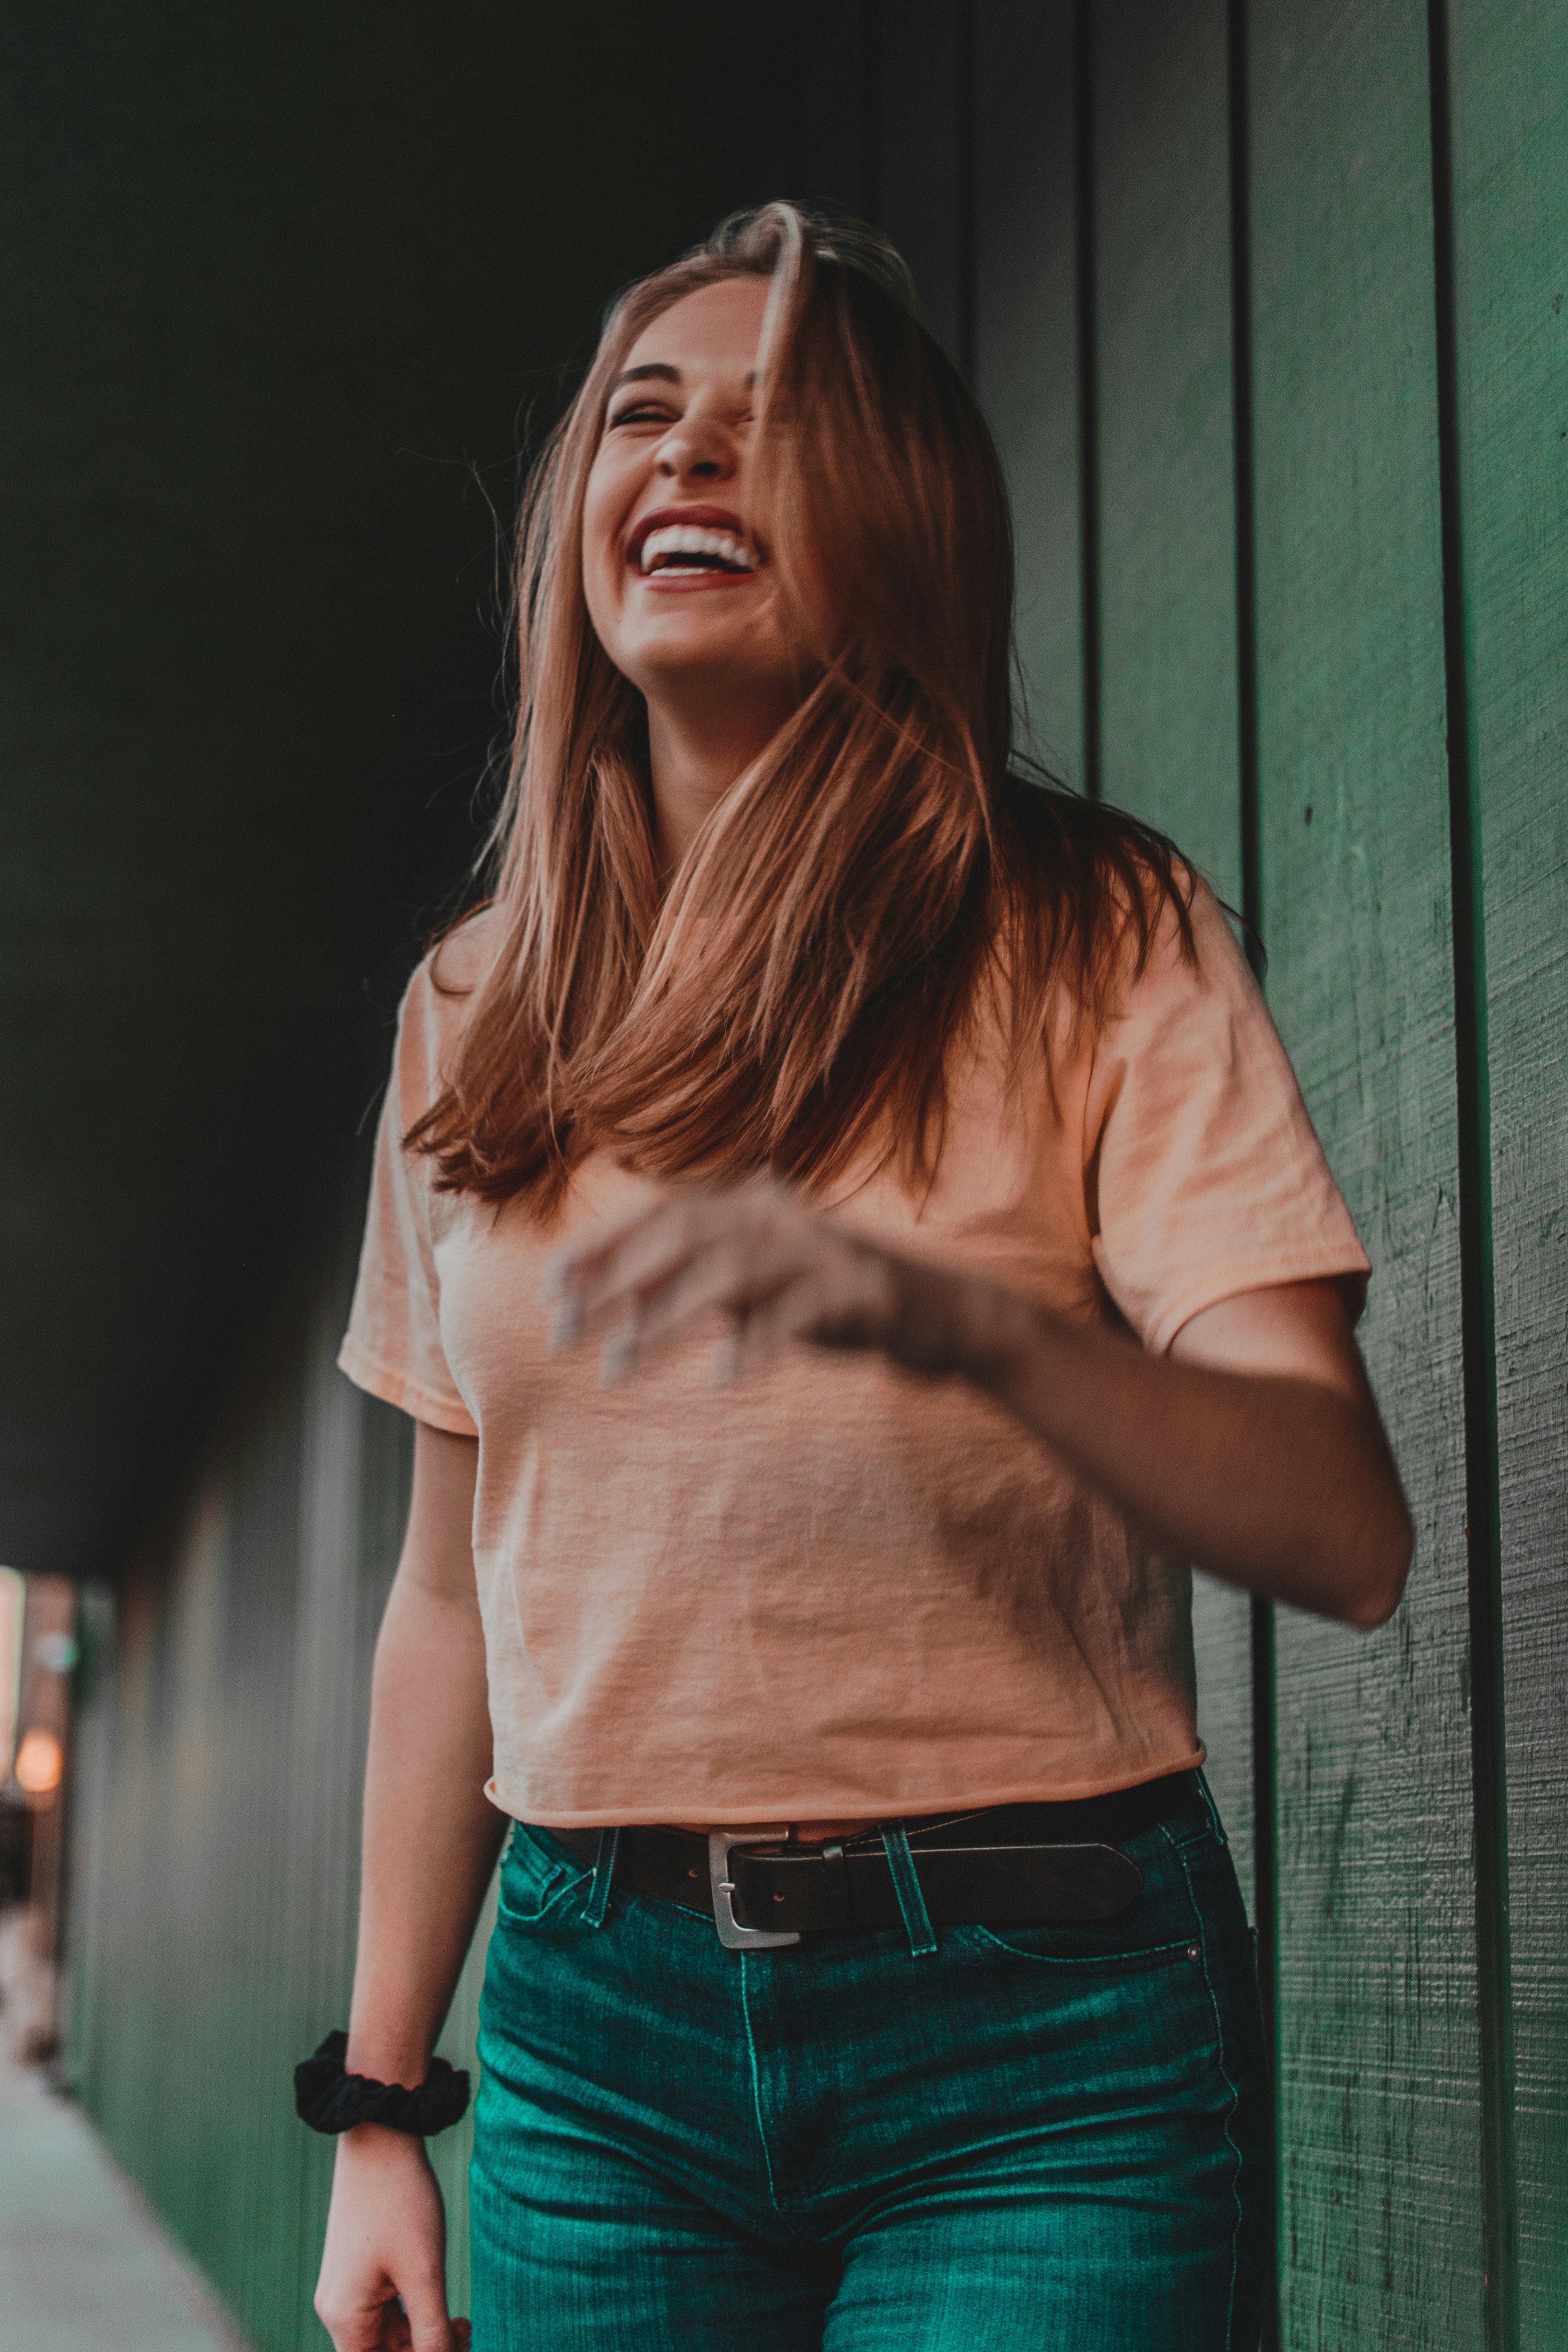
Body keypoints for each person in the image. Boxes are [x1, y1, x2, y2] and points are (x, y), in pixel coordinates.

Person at [309, 203, 1411, 2352]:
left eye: (775, 421)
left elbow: (1342, 1531)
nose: (686, 454)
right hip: (592, 2053)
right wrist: (378, 2105)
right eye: (644, 414)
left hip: (1039, 2034)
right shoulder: (473, 1010)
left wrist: (956, 1323)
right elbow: (449, 1603)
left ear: (901, 518)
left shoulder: (1097, 933)